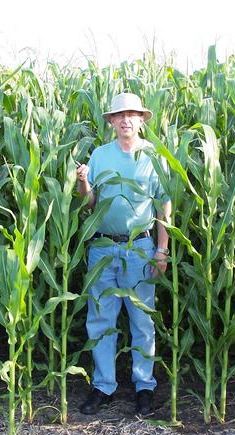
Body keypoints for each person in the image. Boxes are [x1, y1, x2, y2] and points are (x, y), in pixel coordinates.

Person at [76, 92, 171, 416]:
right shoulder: (101, 155)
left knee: (142, 321)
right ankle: (103, 387)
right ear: (112, 122)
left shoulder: (154, 156)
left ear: (142, 120)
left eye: (132, 114)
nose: (126, 120)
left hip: (140, 248)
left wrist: (161, 250)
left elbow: (163, 205)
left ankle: (144, 387)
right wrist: (83, 183)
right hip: (103, 247)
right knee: (100, 320)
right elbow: (89, 204)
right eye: (120, 115)